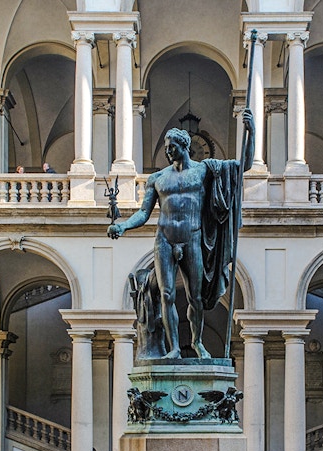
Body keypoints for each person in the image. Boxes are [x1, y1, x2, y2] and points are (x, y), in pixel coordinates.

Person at [109, 109, 255, 360]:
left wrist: (250, 133)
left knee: (195, 297)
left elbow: (244, 166)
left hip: (193, 237)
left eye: (172, 146)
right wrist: (123, 226)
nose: (168, 151)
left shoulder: (204, 171)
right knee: (166, 295)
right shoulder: (157, 179)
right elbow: (144, 213)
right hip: (164, 239)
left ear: (184, 145)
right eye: (166, 147)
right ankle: (175, 347)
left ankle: (197, 342)